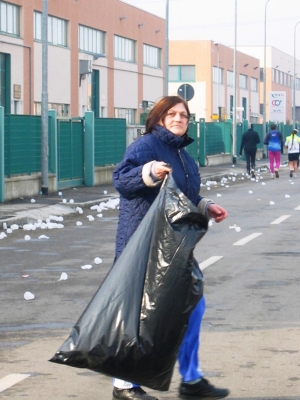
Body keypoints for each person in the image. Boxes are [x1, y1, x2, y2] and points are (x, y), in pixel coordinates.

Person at [112, 95, 229, 400]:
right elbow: (122, 181)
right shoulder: (145, 146)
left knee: (194, 306)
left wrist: (205, 205)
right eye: (172, 114)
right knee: (138, 314)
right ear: (160, 118)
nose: (179, 119)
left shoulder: (183, 156)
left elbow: (184, 194)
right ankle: (123, 385)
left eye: (184, 115)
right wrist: (148, 172)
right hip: (144, 241)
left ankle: (191, 380)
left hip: (173, 244)